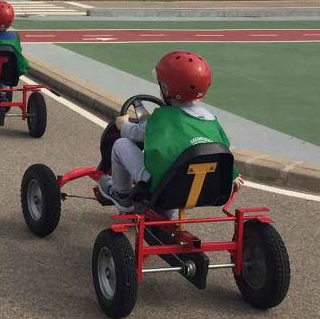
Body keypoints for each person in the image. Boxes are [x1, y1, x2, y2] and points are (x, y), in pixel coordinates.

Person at [98, 51, 243, 215]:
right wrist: (233, 175)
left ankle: (121, 195)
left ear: (166, 89)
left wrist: (122, 123)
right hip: (200, 190)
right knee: (177, 167)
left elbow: (132, 134)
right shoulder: (211, 120)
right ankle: (169, 217)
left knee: (120, 144)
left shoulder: (160, 119)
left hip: (163, 186)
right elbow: (223, 150)